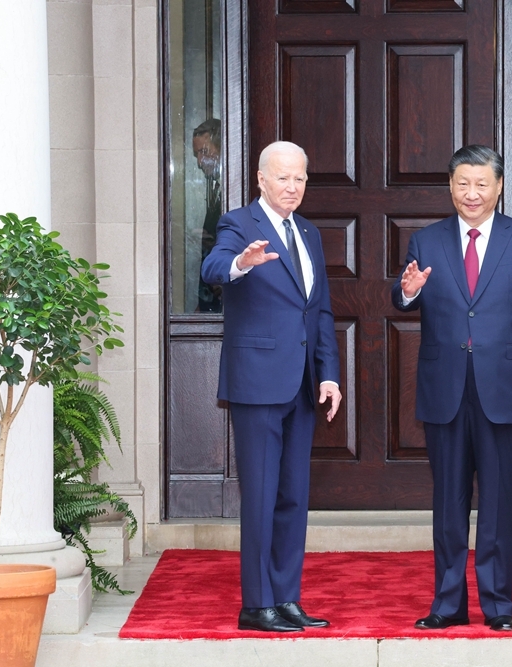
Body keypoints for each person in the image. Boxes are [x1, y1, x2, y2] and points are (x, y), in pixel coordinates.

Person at [391, 145, 512, 632]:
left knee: (500, 502)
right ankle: (447, 604)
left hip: (507, 389)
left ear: (499, 186)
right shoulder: (426, 242)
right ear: (450, 187)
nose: (472, 193)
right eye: (463, 184)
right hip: (446, 389)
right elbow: (402, 298)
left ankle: (498, 606)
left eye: (481, 184)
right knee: (447, 505)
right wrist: (407, 290)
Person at [201, 141, 342, 632]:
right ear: (260, 179)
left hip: (302, 384)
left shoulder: (308, 233)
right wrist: (241, 263)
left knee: (292, 497)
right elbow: (213, 268)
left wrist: (329, 373)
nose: (293, 187)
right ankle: (255, 604)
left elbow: (319, 309)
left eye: (301, 178)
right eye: (283, 177)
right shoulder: (239, 224)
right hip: (258, 383)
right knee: (260, 496)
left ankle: (286, 598)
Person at [192, 118, 223, 312]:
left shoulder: (235, 193)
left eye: (204, 152)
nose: (199, 162)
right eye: (196, 155)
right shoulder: (216, 189)